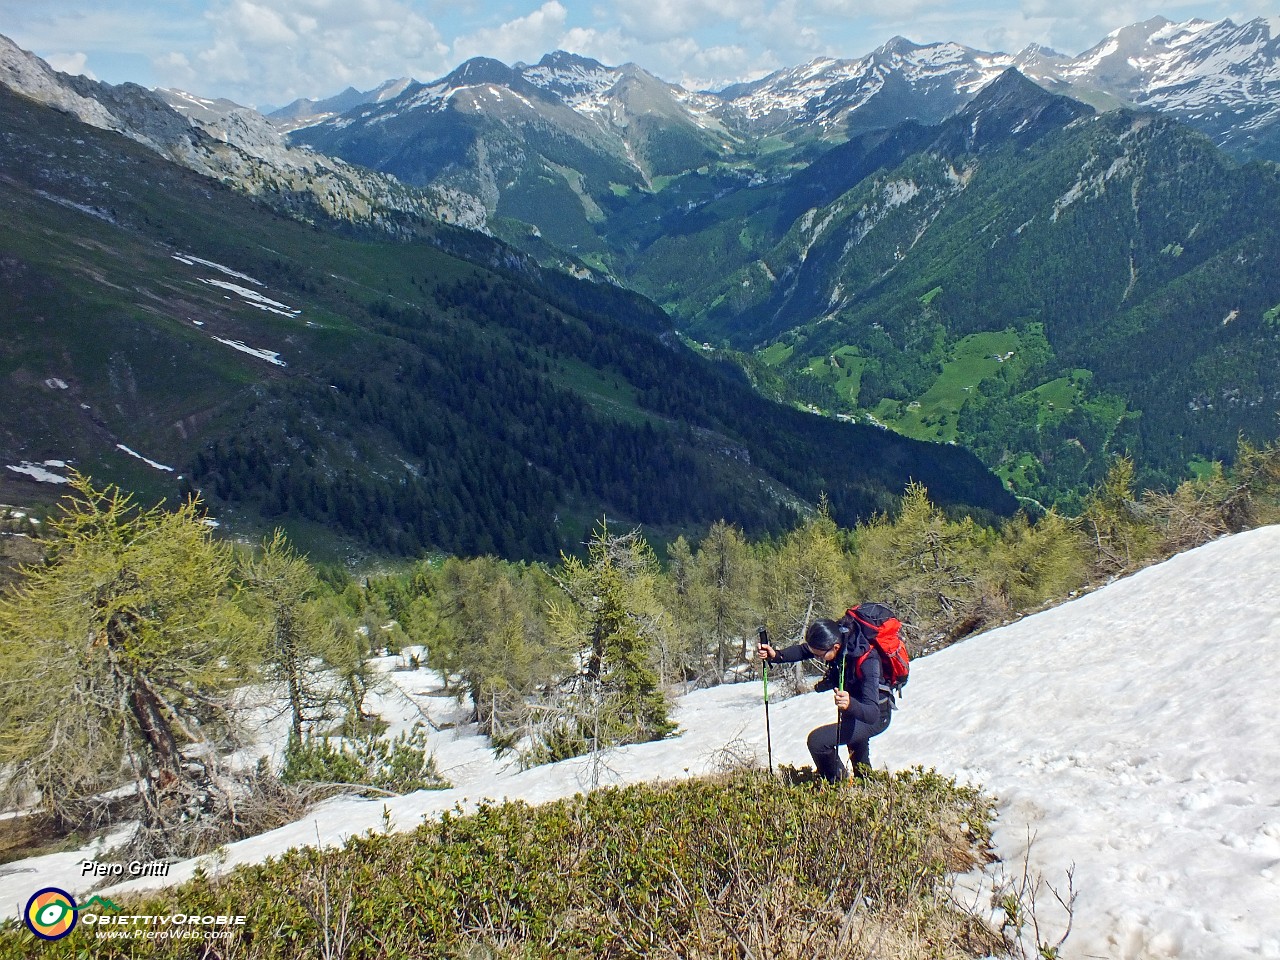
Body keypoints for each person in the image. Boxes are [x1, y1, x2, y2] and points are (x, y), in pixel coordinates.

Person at [757, 617, 892, 781]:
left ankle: (838, 786)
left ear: (835, 647)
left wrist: (850, 704)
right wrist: (777, 655)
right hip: (853, 708)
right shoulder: (837, 640)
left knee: (818, 741)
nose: (817, 657)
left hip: (875, 716)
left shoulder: (867, 661)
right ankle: (866, 788)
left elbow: (872, 714)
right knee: (857, 752)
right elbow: (805, 650)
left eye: (820, 655)